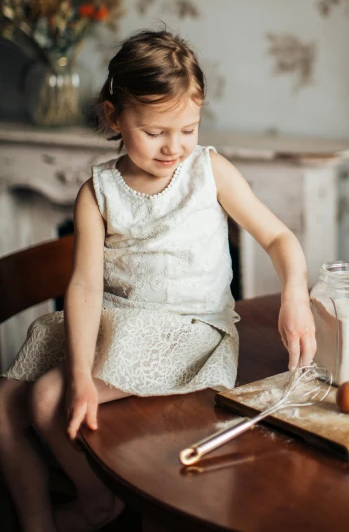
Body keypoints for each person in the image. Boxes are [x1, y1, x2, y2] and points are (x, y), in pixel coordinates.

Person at [0, 29, 317, 532]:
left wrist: (295, 292)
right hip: (117, 321)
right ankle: (35, 522)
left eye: (187, 128)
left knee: (45, 399)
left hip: (190, 332)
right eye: (155, 132)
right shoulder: (97, 192)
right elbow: (83, 287)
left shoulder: (209, 171)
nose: (174, 147)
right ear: (114, 117)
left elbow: (279, 238)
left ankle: (96, 500)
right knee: (6, 401)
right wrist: (82, 371)